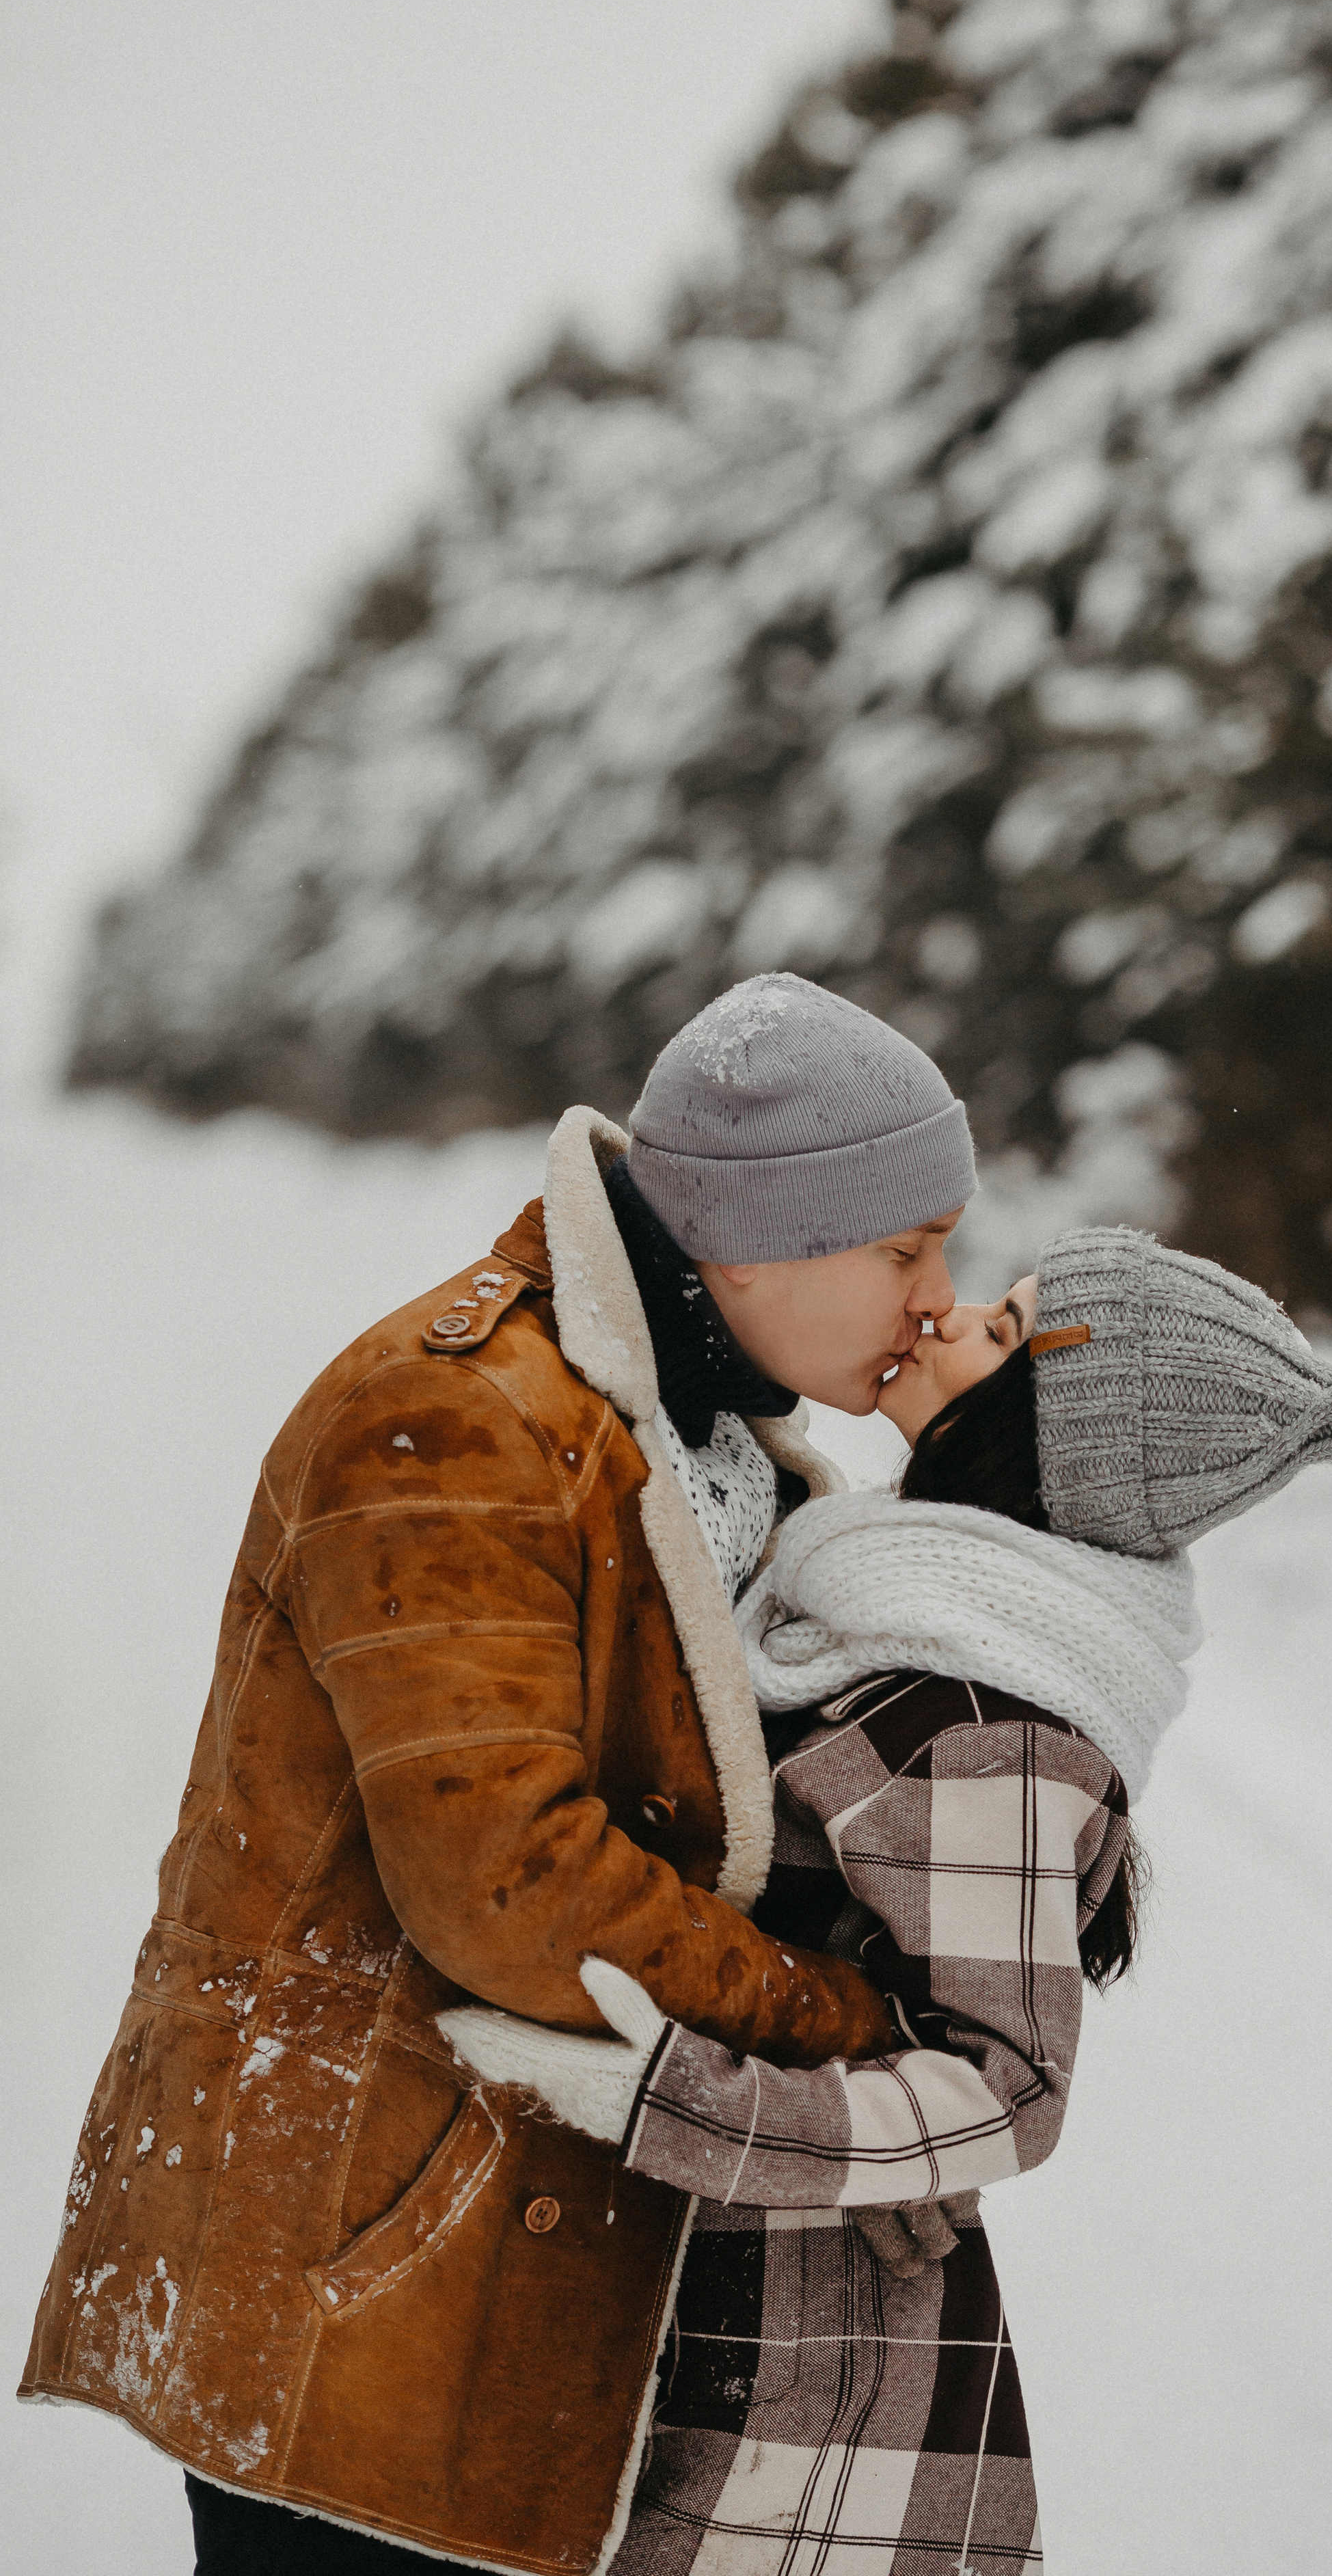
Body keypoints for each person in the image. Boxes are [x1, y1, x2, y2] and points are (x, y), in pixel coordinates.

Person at [20, 975, 981, 2575]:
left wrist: (964, 1488)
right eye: (903, 1250)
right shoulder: (449, 1414)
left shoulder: (715, 1447)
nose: (937, 1300)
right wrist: (846, 2039)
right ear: (752, 1241)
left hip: (515, 2261)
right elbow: (511, 1885)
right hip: (360, 2267)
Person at [444, 1223, 1332, 2573]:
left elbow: (1007, 2080)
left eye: (997, 1330)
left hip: (802, 2362)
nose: (944, 1318)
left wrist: (660, 2097)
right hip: (735, 2286)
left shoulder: (992, 1715)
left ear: (1055, 1445)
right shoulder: (898, 1609)